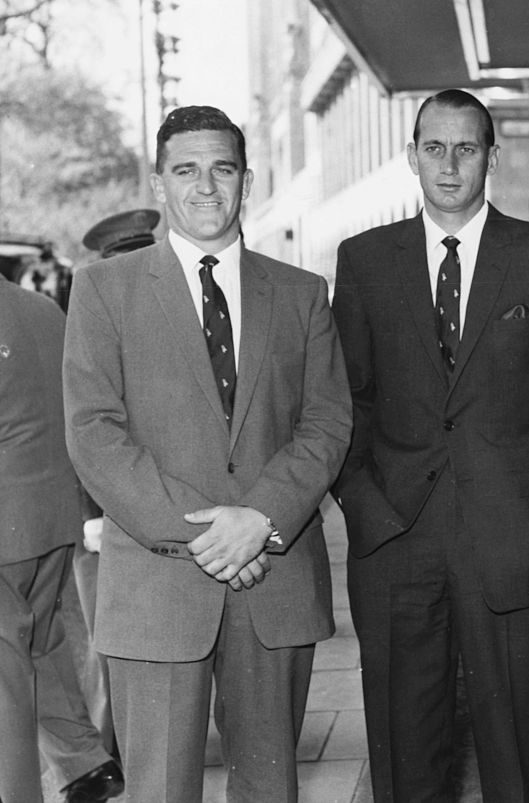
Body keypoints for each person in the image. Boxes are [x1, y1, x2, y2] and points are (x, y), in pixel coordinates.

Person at [63, 105, 353, 802]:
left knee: (269, 789)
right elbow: (94, 432)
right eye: (185, 170)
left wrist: (261, 517)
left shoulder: (301, 293)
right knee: (160, 791)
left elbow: (327, 421)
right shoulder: (104, 290)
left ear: (246, 180)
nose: (206, 186)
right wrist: (215, 535)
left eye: (223, 168)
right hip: (158, 587)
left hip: (273, 581)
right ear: (159, 183)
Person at [333, 88, 529, 802]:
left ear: (492, 157)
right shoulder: (364, 261)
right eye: (435, 147)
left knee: (514, 753)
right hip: (396, 543)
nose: (449, 165)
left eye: (467, 148)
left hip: (510, 543)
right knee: (406, 750)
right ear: (411, 155)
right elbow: (343, 404)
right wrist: (367, 514)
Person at [0, 274, 123, 803]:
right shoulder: (44, 308)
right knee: (41, 640)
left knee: (5, 670)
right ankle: (85, 764)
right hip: (50, 516)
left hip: (6, 522)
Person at [73, 207, 161, 757]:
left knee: (114, 637)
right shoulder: (97, 312)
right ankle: (115, 748)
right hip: (113, 507)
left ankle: (116, 749)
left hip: (121, 509)